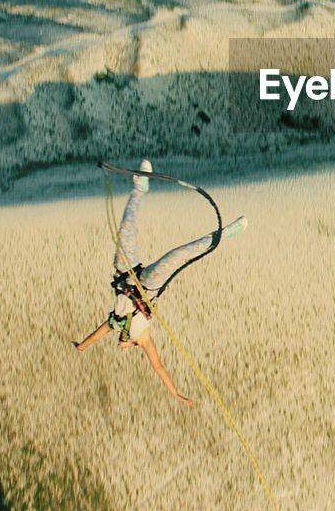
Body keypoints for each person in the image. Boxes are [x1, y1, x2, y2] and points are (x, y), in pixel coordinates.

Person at [73, 160, 247, 406]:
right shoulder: (142, 339)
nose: (121, 347)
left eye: (119, 345)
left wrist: (82, 346)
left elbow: (94, 336)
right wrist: (175, 394)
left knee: (125, 229)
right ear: (132, 345)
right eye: (125, 347)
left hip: (125, 273)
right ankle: (223, 234)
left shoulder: (114, 324)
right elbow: (159, 367)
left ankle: (140, 186)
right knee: (178, 255)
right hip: (148, 286)